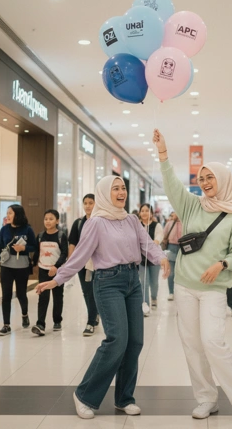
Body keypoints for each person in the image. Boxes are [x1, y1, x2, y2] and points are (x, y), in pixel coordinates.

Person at [36, 176, 169, 419]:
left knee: (135, 341)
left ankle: (124, 398)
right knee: (117, 340)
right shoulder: (95, 223)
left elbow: (147, 244)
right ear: (105, 193)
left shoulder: (131, 220)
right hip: (108, 282)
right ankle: (84, 394)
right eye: (115, 188)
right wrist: (58, 279)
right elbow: (80, 255)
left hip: (133, 282)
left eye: (123, 188)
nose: (121, 192)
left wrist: (161, 258)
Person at [153, 129, 232, 425]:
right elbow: (172, 185)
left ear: (222, 180)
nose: (206, 182)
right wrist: (163, 154)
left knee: (212, 342)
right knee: (192, 345)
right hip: (185, 286)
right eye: (202, 178)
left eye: (211, 177)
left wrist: (222, 264)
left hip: (213, 289)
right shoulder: (192, 205)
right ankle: (206, 398)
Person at [0, 205, 37, 336]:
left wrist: (23, 248)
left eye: (10, 213)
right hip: (6, 266)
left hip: (22, 267)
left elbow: (34, 246)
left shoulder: (27, 229)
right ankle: (6, 325)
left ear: (17, 215)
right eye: (7, 213)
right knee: (6, 295)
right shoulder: (4, 229)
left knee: (21, 294)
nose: (7, 215)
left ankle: (25, 314)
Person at [32, 209, 69, 335]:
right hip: (43, 270)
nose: (48, 221)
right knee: (43, 297)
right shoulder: (40, 236)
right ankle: (40, 324)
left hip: (58, 271)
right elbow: (37, 251)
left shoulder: (61, 236)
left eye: (51, 219)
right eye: (46, 219)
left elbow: (64, 253)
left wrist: (56, 266)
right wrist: (33, 263)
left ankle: (57, 320)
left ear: (57, 221)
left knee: (57, 297)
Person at [68, 194, 99, 336]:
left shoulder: (101, 221)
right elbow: (72, 243)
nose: (87, 206)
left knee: (96, 291)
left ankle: (93, 318)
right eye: (85, 203)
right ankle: (92, 318)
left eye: (91, 203)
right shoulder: (79, 223)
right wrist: (71, 261)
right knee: (87, 291)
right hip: (82, 263)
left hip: (98, 263)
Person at [138, 203, 164, 316]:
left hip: (154, 258)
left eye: (147, 210)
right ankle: (146, 306)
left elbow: (159, 237)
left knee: (154, 282)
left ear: (151, 213)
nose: (144, 213)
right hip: (141, 259)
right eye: (142, 210)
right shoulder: (137, 226)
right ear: (139, 213)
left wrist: (155, 243)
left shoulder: (156, 225)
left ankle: (154, 298)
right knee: (144, 282)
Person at [162, 211, 182, 301]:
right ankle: (171, 292)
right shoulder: (169, 223)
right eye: (173, 213)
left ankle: (180, 293)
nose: (174, 215)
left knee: (181, 273)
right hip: (171, 247)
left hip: (182, 248)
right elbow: (164, 235)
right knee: (171, 273)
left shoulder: (184, 222)